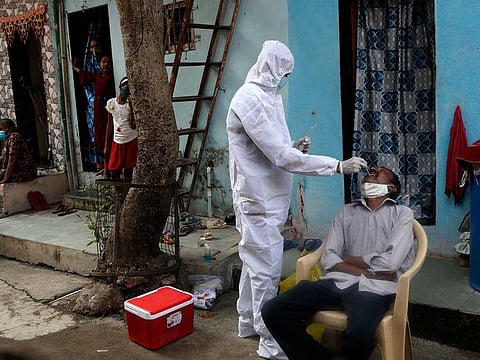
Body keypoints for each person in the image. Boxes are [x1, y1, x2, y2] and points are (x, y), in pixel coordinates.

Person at [226, 40, 367, 359]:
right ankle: (271, 341)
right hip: (257, 199)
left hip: (268, 198)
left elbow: (272, 147)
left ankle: (248, 321)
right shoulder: (249, 99)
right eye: (284, 72)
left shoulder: (268, 95)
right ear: (271, 67)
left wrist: (293, 145)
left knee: (254, 265)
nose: (286, 77)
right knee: (265, 271)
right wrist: (336, 166)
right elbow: (278, 156)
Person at [262, 166, 416, 360]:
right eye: (372, 169)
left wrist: (347, 260)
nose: (373, 169)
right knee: (273, 311)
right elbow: (330, 259)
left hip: (375, 290)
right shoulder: (346, 212)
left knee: (358, 336)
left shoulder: (403, 214)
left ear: (392, 188)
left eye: (379, 171)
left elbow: (391, 263)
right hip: (335, 283)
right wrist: (367, 270)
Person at [73, 54, 115, 175]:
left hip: (106, 108)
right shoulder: (98, 76)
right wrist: (75, 68)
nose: (105, 64)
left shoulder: (111, 77)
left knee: (108, 134)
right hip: (97, 109)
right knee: (98, 135)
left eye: (108, 62)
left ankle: (109, 165)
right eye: (103, 62)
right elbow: (86, 76)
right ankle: (102, 163)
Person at [104, 77, 138, 182]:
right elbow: (109, 125)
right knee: (114, 170)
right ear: (120, 87)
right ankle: (119, 195)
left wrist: (132, 108)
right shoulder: (112, 103)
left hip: (131, 139)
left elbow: (133, 125)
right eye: (125, 87)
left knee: (128, 171)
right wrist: (106, 145)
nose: (126, 90)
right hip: (117, 140)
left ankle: (127, 193)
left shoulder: (131, 105)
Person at [0, 118, 37, 184]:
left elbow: (12, 161)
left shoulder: (14, 137)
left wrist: (5, 179)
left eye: (1, 129)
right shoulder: (7, 140)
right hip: (16, 170)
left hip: (25, 172)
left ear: (9, 129)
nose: (0, 132)